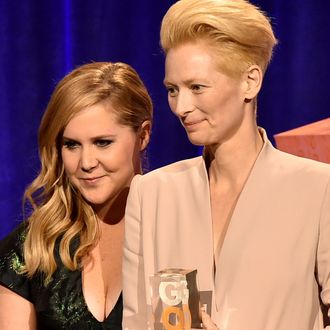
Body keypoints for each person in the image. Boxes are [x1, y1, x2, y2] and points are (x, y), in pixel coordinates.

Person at [122, 0, 330, 329]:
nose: (181, 107)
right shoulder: (151, 195)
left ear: (250, 81)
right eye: (173, 90)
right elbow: (137, 324)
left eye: (197, 87)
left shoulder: (318, 189)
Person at [0, 61, 152, 329]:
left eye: (102, 142)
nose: (86, 162)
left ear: (143, 135)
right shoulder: (32, 248)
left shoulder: (176, 231)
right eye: (71, 145)